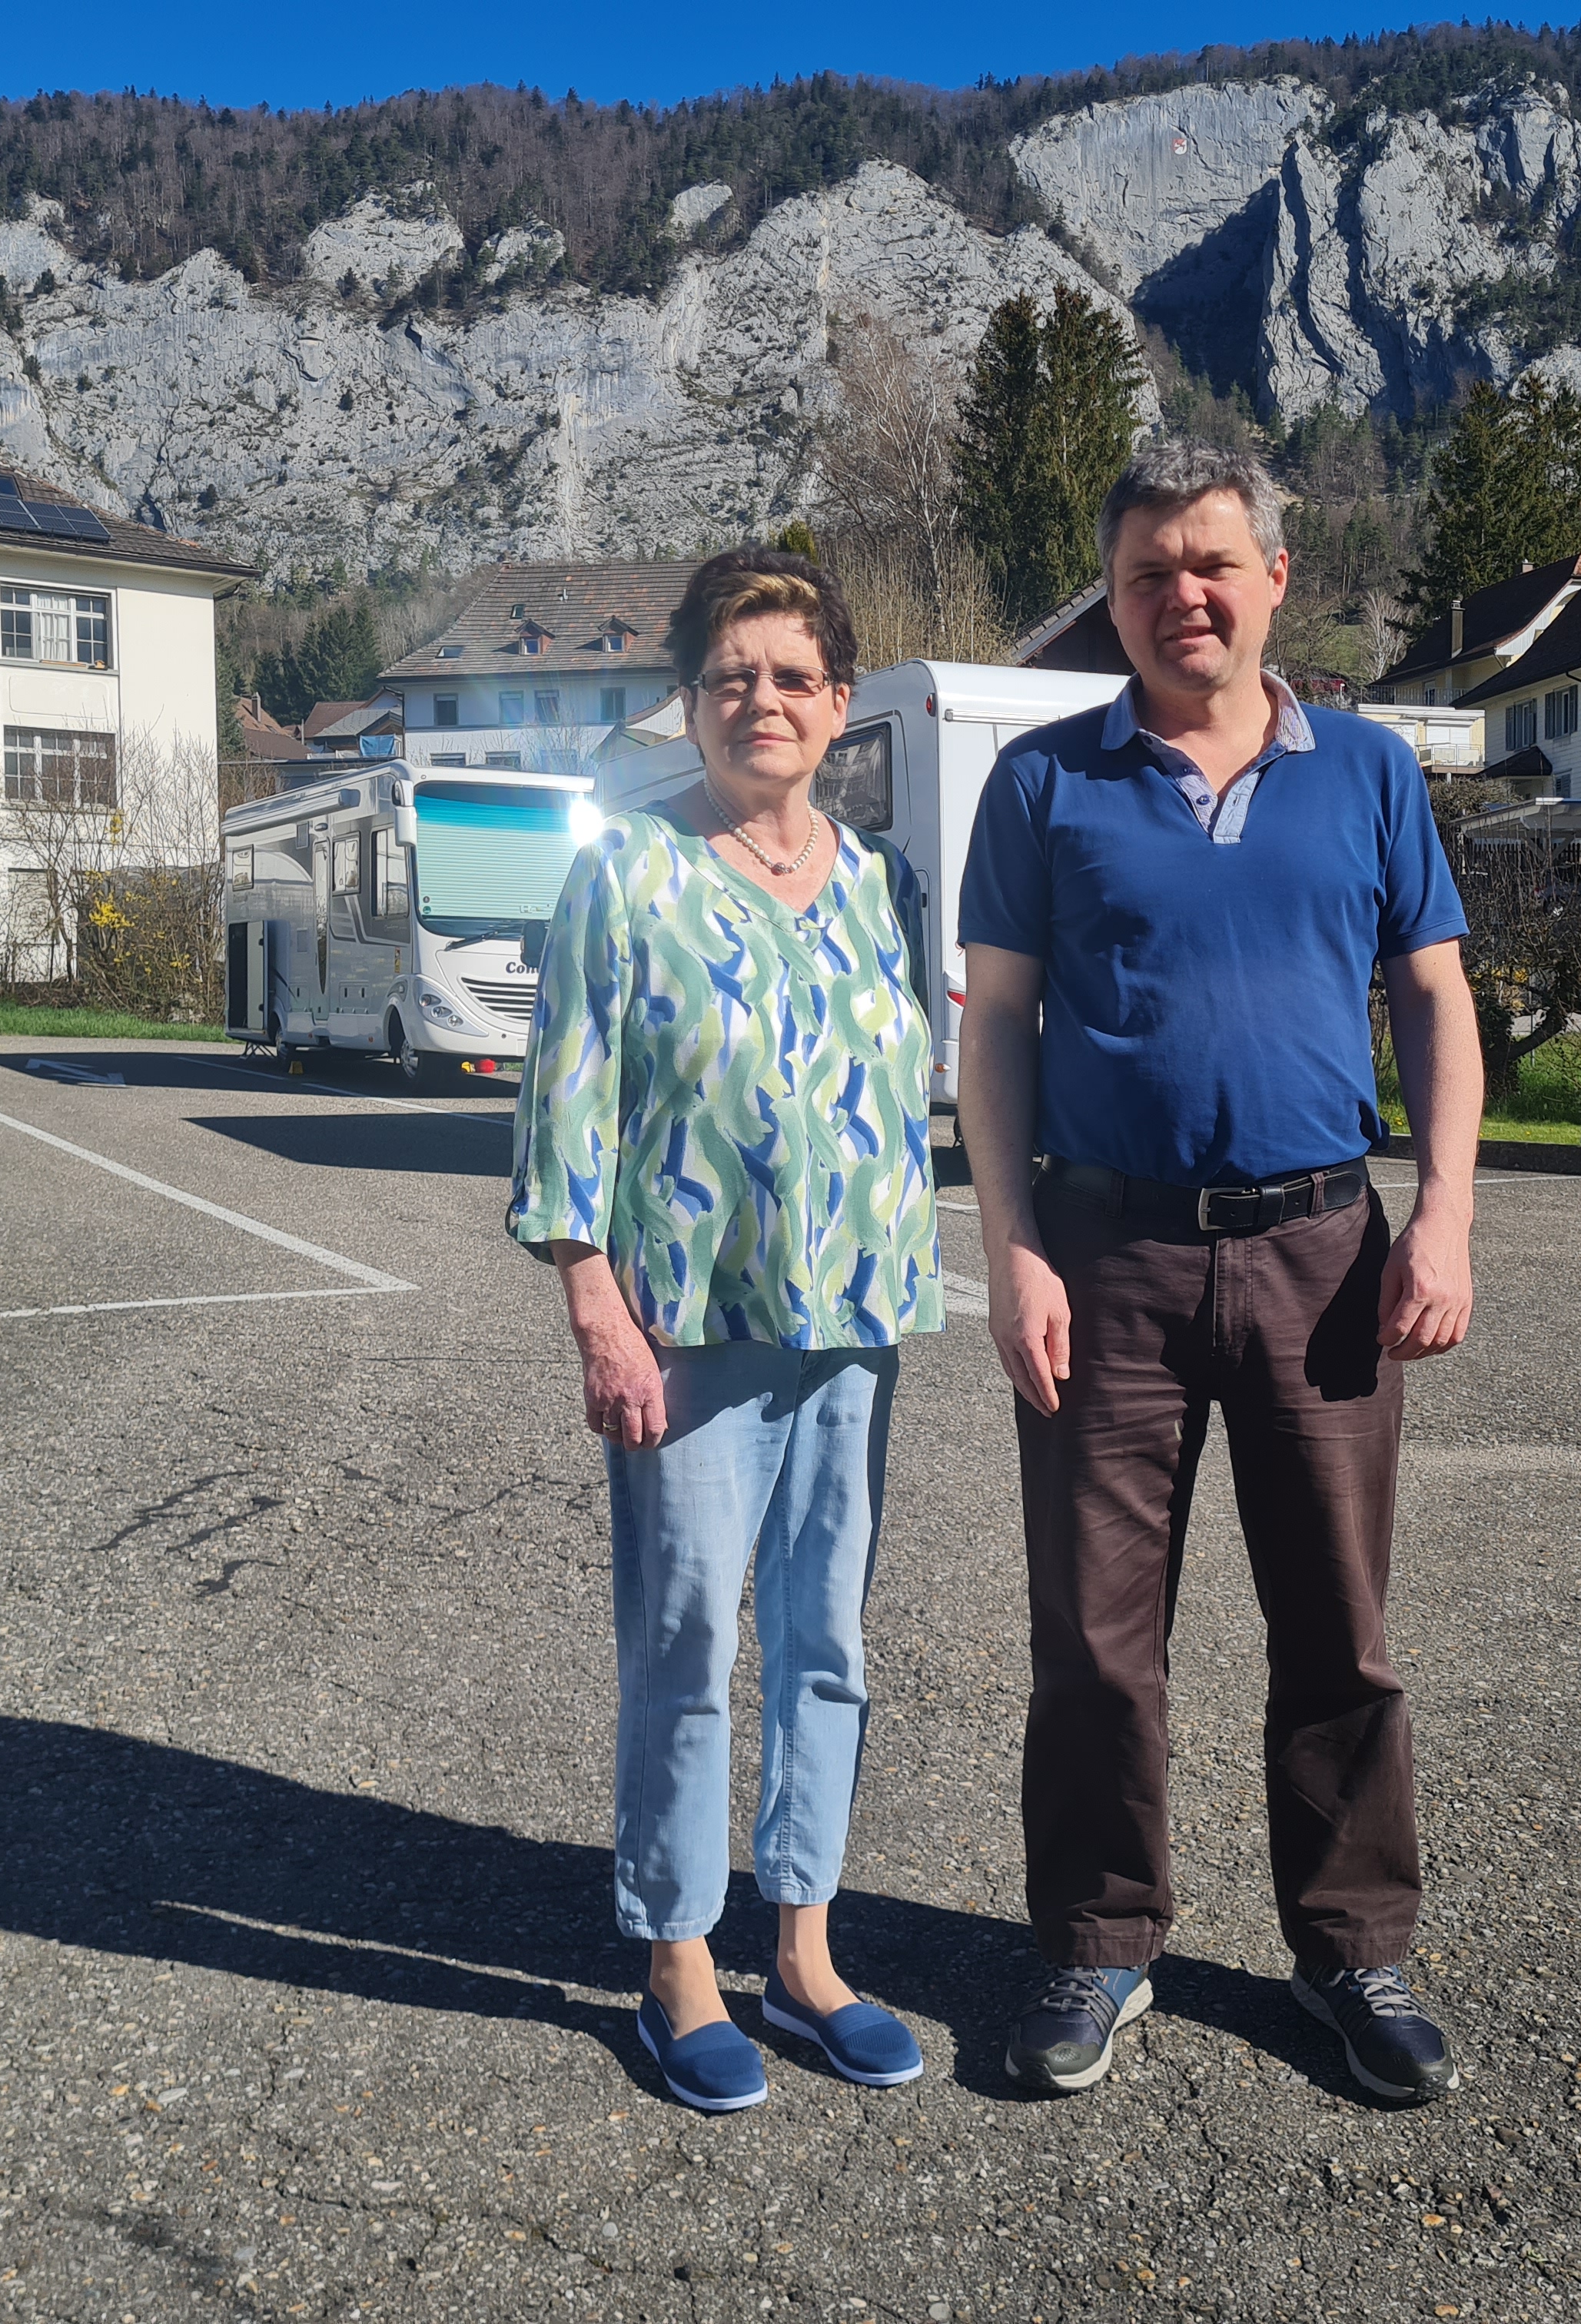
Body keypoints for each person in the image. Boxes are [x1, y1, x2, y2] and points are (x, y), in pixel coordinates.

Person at [954, 437, 1483, 2104]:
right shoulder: (1045, 784)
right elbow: (995, 1032)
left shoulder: (1372, 774)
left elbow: (1438, 1007)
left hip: (1324, 1252)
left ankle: (1355, 1949)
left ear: (1272, 579)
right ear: (1110, 601)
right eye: (1142, 573)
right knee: (1098, 1637)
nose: (1178, 593)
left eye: (1207, 563)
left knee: (1339, 1627)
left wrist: (1447, 1212)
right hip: (1104, 1256)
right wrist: (1012, 1247)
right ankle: (1097, 1946)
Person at [508, 547, 941, 2113]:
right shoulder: (624, 870)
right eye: (729, 675)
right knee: (686, 1647)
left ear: (838, 707)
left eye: (791, 675)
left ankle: (808, 1952)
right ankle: (679, 1958)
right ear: (690, 705)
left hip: (855, 1331)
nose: (761, 698)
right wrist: (595, 1317)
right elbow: (567, 1119)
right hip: (686, 1340)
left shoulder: (887, 884)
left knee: (827, 1646)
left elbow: (912, 1096)